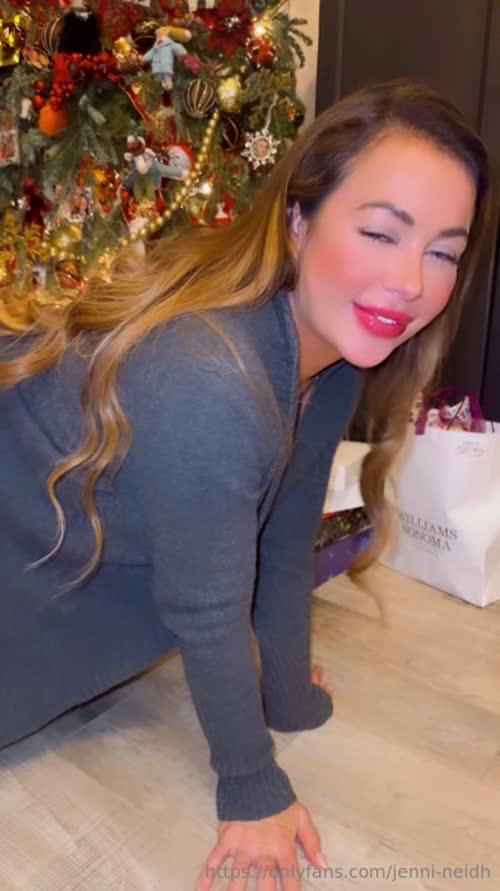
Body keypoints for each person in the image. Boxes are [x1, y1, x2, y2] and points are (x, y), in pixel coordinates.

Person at [0, 80, 491, 890]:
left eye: (443, 251)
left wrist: (287, 694)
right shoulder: (210, 378)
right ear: (298, 220)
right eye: (380, 232)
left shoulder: (326, 356)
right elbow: (207, 606)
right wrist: (252, 785)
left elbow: (284, 539)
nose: (411, 281)